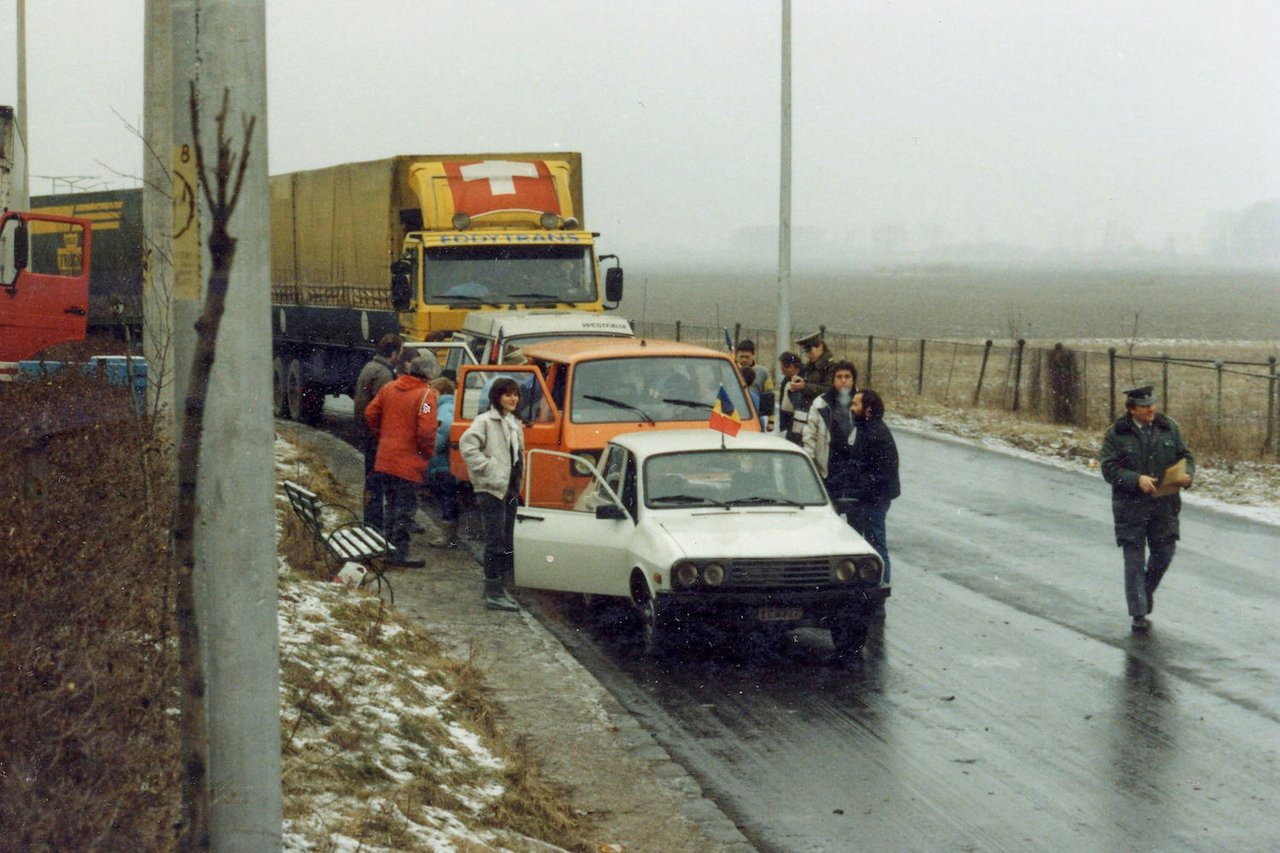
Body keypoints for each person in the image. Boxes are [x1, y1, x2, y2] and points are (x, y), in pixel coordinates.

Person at [1100, 384, 1194, 631]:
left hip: (1164, 505)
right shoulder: (1117, 434)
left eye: (1152, 404)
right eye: (1144, 406)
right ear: (1132, 410)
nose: (1151, 409)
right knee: (1133, 559)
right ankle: (1138, 613)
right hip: (1130, 507)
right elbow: (1109, 469)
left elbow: (1185, 456)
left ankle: (1144, 591)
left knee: (1164, 554)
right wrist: (1136, 479)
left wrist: (1187, 476)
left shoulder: (1168, 428)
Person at [364, 356, 439, 568]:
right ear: (429, 373)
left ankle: (388, 547)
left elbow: (370, 412)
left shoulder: (388, 388)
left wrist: (383, 435)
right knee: (406, 508)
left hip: (386, 458)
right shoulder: (426, 397)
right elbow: (426, 429)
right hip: (409, 462)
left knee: (391, 504)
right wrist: (426, 452)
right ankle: (399, 553)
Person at [458, 377, 524, 612]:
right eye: (507, 394)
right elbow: (467, 447)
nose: (513, 398)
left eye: (515, 394)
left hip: (510, 489)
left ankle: (499, 588)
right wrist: (489, 468)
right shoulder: (485, 421)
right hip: (491, 488)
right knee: (495, 540)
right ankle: (493, 592)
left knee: (506, 540)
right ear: (497, 397)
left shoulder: (513, 422)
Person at [846, 389, 900, 586]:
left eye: (855, 405)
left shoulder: (876, 434)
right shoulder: (864, 428)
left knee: (875, 545)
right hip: (864, 498)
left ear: (868, 409)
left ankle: (880, 585)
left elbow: (881, 474)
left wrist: (857, 489)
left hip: (873, 500)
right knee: (859, 544)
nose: (851, 408)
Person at [353, 334, 403, 529]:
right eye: (399, 351)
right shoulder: (383, 374)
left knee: (371, 481)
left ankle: (371, 523)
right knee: (376, 483)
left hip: (366, 433)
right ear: (393, 353)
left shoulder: (370, 367)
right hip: (375, 437)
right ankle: (374, 526)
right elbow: (384, 407)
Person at [801, 360, 859, 499]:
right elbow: (810, 437)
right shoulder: (820, 403)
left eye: (847, 377)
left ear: (854, 380)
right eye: (839, 377)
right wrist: (812, 469)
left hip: (855, 473)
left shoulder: (863, 401)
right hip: (829, 470)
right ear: (833, 380)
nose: (843, 381)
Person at [426, 376, 460, 549]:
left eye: (433, 392)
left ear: (441, 392)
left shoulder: (444, 409)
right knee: (449, 498)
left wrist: (433, 445)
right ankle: (450, 535)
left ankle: (447, 537)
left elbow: (445, 427)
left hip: (442, 464)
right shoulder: (451, 405)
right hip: (449, 463)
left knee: (446, 499)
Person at [789, 331, 838, 412]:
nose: (808, 355)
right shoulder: (810, 366)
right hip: (809, 411)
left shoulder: (830, 366)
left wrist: (805, 386)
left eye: (810, 350)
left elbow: (829, 390)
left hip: (823, 412)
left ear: (820, 346)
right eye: (806, 351)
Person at [777, 351, 805, 444]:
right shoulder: (786, 380)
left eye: (784, 367)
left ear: (793, 367)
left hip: (798, 422)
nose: (782, 370)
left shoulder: (802, 381)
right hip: (786, 421)